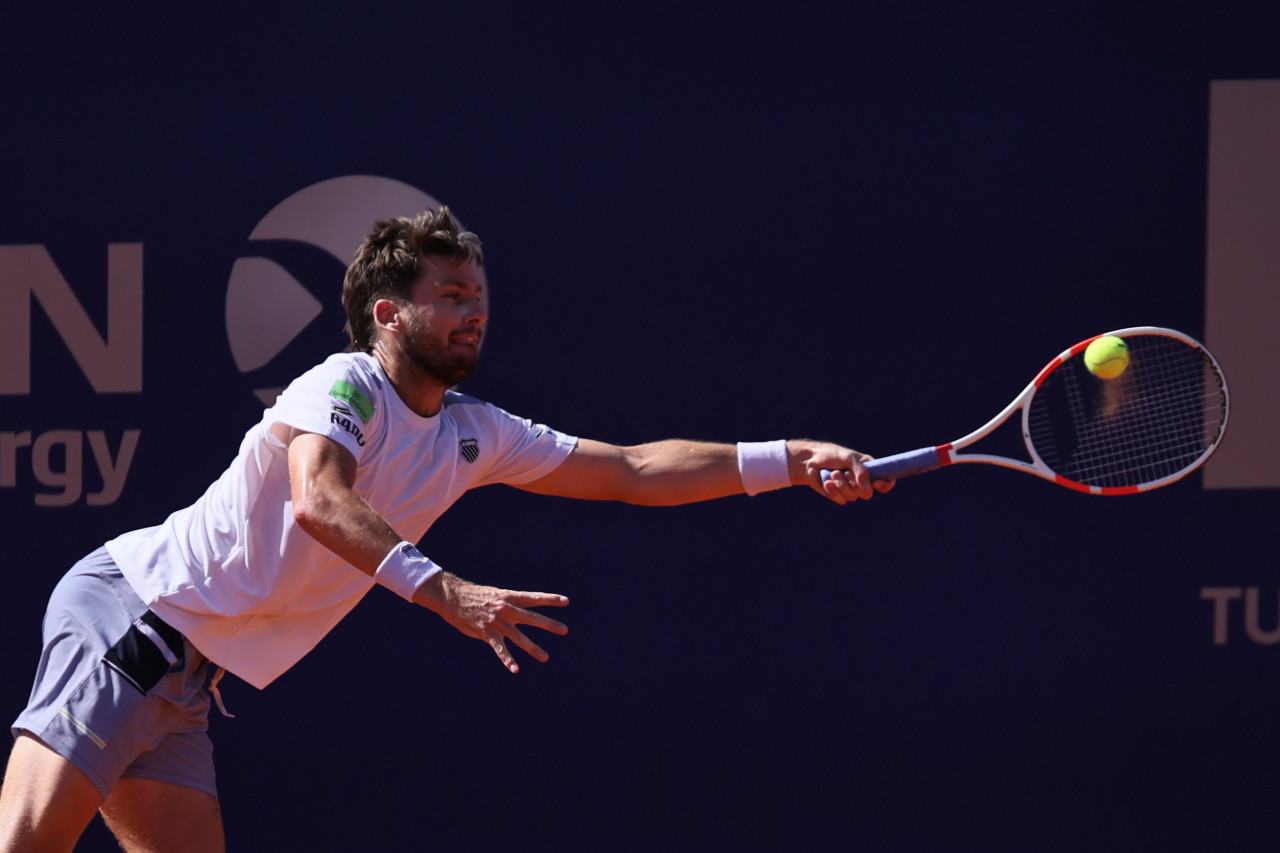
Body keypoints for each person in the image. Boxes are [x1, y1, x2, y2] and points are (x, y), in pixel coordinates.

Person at [0, 208, 892, 852]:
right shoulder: (343, 384)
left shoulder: (473, 430)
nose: (476, 311)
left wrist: (789, 456)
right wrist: (446, 590)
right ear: (389, 315)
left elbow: (628, 470)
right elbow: (320, 500)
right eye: (452, 294)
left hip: (193, 679)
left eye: (480, 296)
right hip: (129, 619)